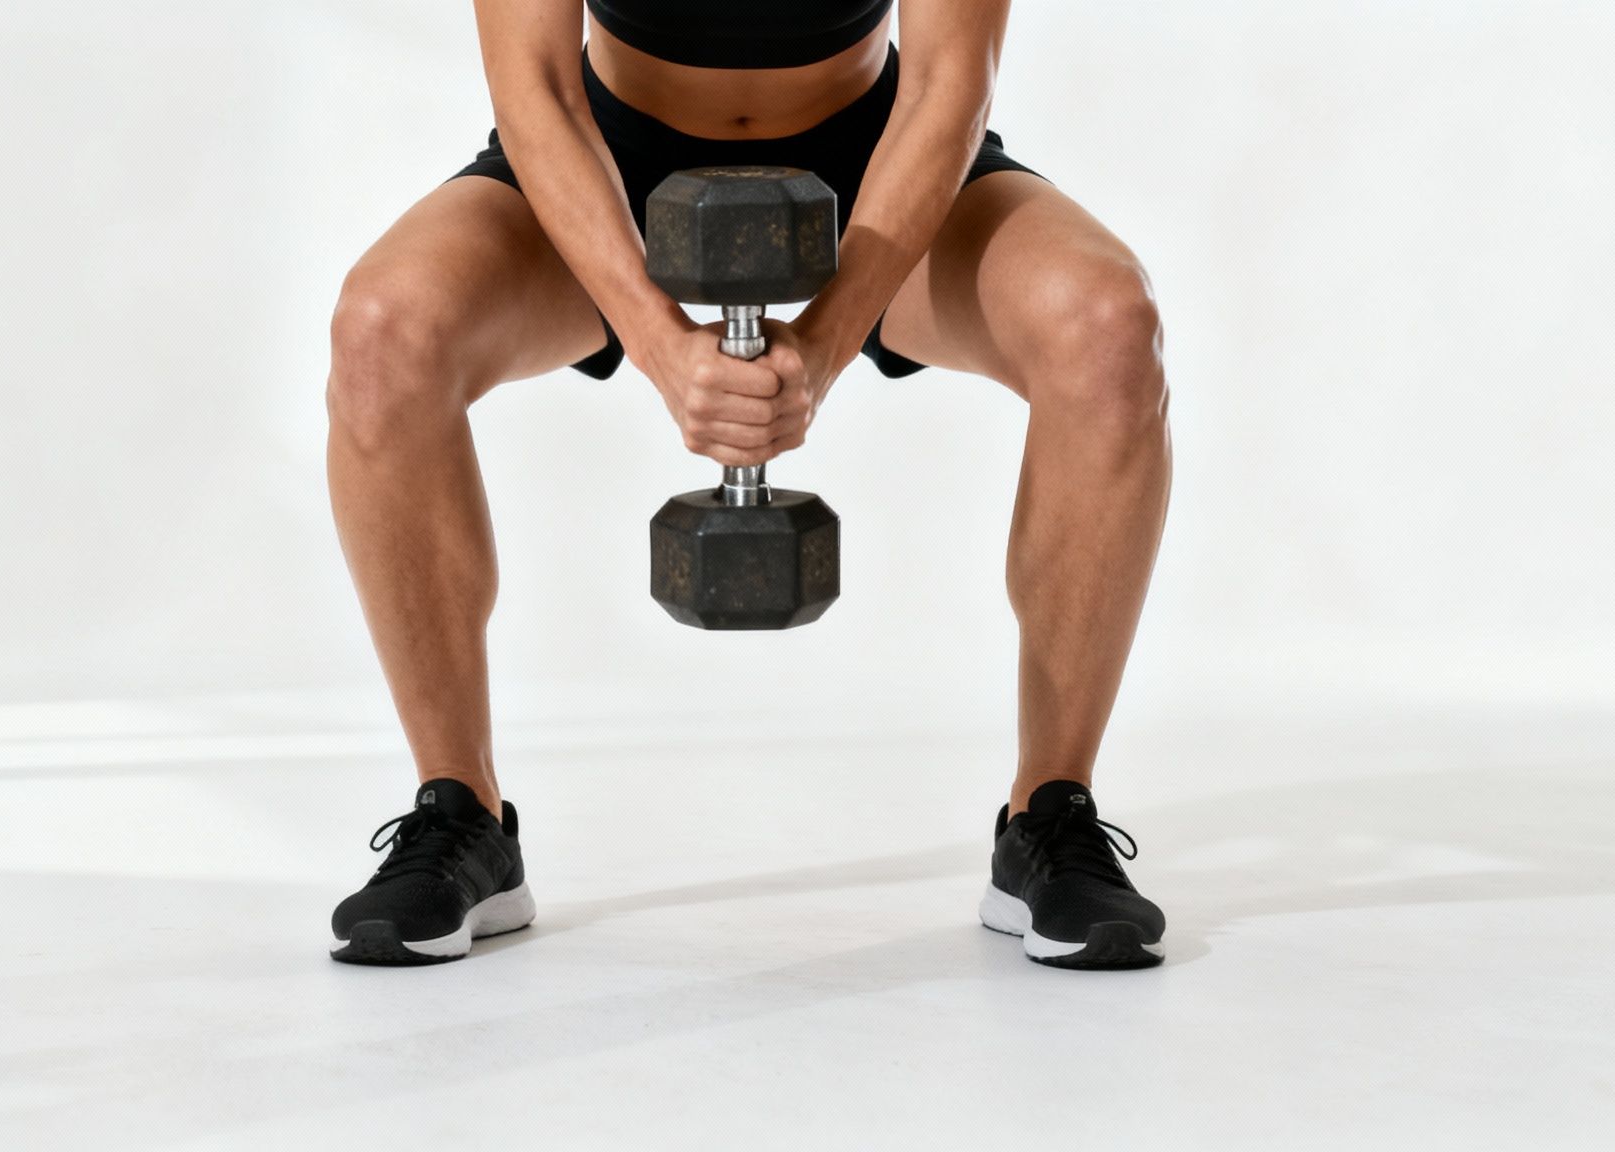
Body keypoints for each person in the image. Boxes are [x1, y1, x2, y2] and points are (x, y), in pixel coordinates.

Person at [325, 0, 1171, 970]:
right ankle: (458, 813)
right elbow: (540, 89)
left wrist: (821, 345)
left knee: (1104, 327)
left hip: (877, 162)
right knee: (382, 333)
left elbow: (946, 83)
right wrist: (656, 346)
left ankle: (1048, 815)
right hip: (602, 163)